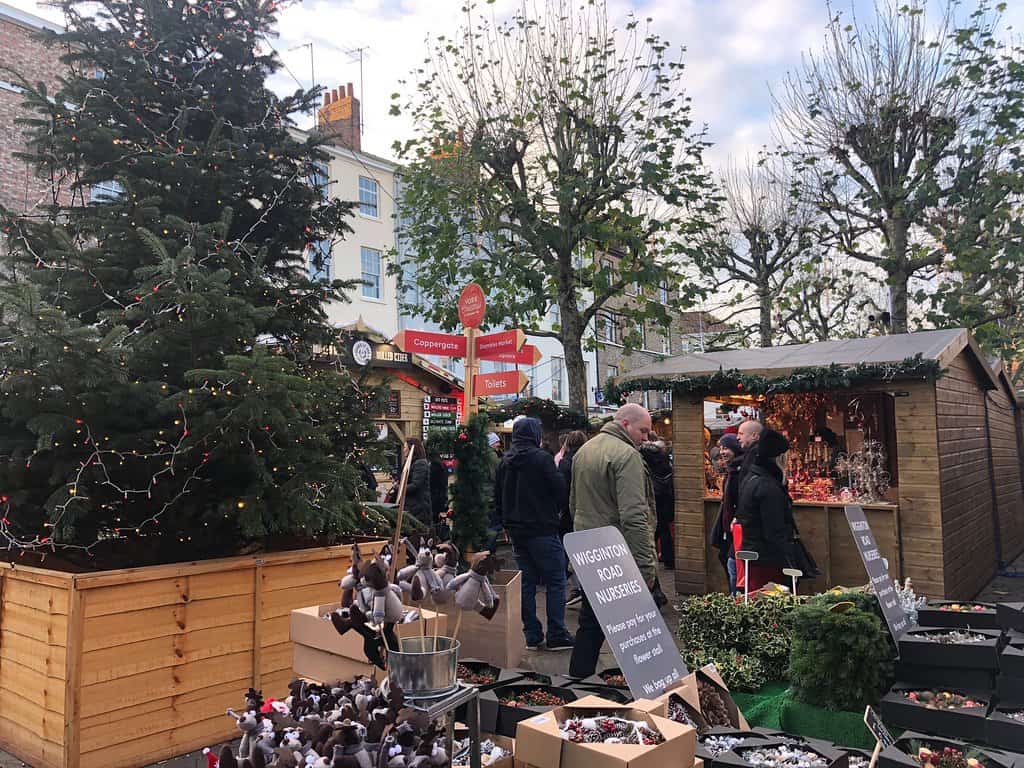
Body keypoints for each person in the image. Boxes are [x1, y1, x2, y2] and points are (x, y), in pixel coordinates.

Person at [568, 403, 659, 677]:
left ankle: (578, 680)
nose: (646, 437)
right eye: (643, 431)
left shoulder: (585, 450)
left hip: (589, 552)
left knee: (591, 622)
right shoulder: (626, 455)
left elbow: (574, 504)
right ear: (626, 424)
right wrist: (646, 567)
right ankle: (644, 682)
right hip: (619, 558)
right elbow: (634, 516)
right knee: (636, 629)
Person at [493, 417, 575, 651]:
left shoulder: (505, 462)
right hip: (542, 528)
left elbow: (497, 496)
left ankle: (531, 633)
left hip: (517, 532)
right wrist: (555, 511)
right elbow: (559, 489)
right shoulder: (542, 459)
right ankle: (557, 632)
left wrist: (505, 523)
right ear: (535, 435)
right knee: (556, 580)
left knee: (526, 583)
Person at [734, 428, 795, 591]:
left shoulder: (752, 478)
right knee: (768, 600)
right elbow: (774, 530)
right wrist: (789, 557)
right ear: (779, 458)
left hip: (754, 553)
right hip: (767, 558)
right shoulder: (768, 487)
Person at [557, 430, 588, 607]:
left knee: (568, 552)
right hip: (587, 512)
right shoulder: (589, 460)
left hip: (569, 514)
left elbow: (562, 490)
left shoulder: (566, 462)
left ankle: (577, 587)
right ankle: (583, 588)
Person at [709, 433, 742, 594]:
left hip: (736, 529)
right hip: (729, 529)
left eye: (726, 448)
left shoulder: (738, 472)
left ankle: (735, 601)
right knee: (729, 564)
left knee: (732, 566)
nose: (722, 452)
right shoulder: (731, 471)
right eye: (721, 448)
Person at [641, 440, 675, 570]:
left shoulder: (648, 461)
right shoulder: (664, 461)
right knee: (664, 530)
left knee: (654, 531)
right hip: (665, 498)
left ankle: (651, 559)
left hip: (655, 497)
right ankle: (668, 559)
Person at [402, 438, 433, 532]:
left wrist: (400, 489)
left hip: (419, 508)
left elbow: (416, 485)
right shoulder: (411, 463)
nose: (403, 450)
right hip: (412, 506)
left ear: (411, 449)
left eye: (405, 447)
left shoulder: (420, 464)